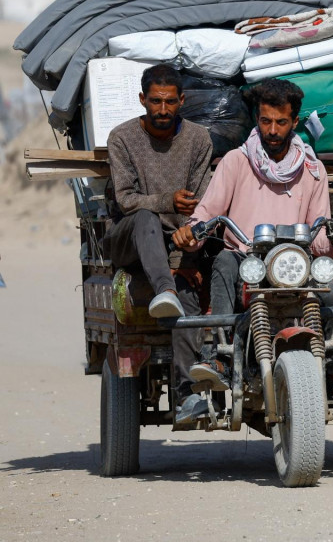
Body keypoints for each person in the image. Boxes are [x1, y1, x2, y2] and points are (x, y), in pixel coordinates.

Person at [172, 78, 333, 418]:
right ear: (256, 120)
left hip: (294, 263)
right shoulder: (235, 161)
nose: (272, 130)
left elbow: (319, 235)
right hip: (246, 257)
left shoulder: (312, 170)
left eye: (281, 122)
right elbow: (208, 211)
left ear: (294, 121)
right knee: (223, 266)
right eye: (265, 121)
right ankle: (221, 352)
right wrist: (192, 231)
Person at [101, 64, 213, 424]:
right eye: (154, 102)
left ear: (181, 101)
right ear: (142, 100)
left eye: (169, 102)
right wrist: (166, 201)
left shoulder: (198, 139)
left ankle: (186, 394)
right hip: (129, 239)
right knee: (146, 217)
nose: (162, 110)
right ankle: (165, 286)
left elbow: (199, 206)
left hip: (177, 243)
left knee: (186, 297)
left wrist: (187, 257)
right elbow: (126, 200)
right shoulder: (122, 138)